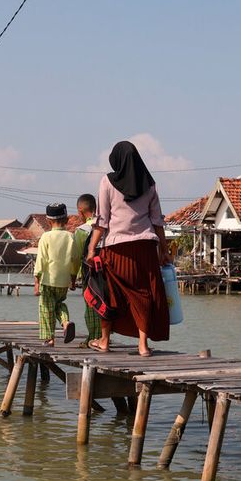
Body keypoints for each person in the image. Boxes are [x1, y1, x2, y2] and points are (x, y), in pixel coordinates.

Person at [86, 141, 170, 357]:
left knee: (109, 293)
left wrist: (91, 249)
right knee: (144, 294)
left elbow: (102, 220)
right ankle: (143, 346)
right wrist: (164, 250)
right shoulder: (150, 184)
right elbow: (157, 221)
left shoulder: (107, 181)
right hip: (146, 247)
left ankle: (104, 341)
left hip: (115, 248)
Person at [34, 202, 77, 346]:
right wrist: (73, 278)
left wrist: (36, 281)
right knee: (59, 304)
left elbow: (41, 260)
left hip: (48, 280)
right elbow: (75, 260)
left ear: (48, 221)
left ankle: (49, 339)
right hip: (64, 281)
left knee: (46, 309)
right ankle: (65, 322)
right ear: (67, 219)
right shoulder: (71, 237)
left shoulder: (46, 237)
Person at [72, 193, 102, 346]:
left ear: (80, 211)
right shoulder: (104, 226)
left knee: (91, 305)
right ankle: (104, 336)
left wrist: (72, 278)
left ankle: (93, 337)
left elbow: (76, 257)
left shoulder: (81, 231)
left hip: (88, 275)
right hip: (105, 274)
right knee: (104, 304)